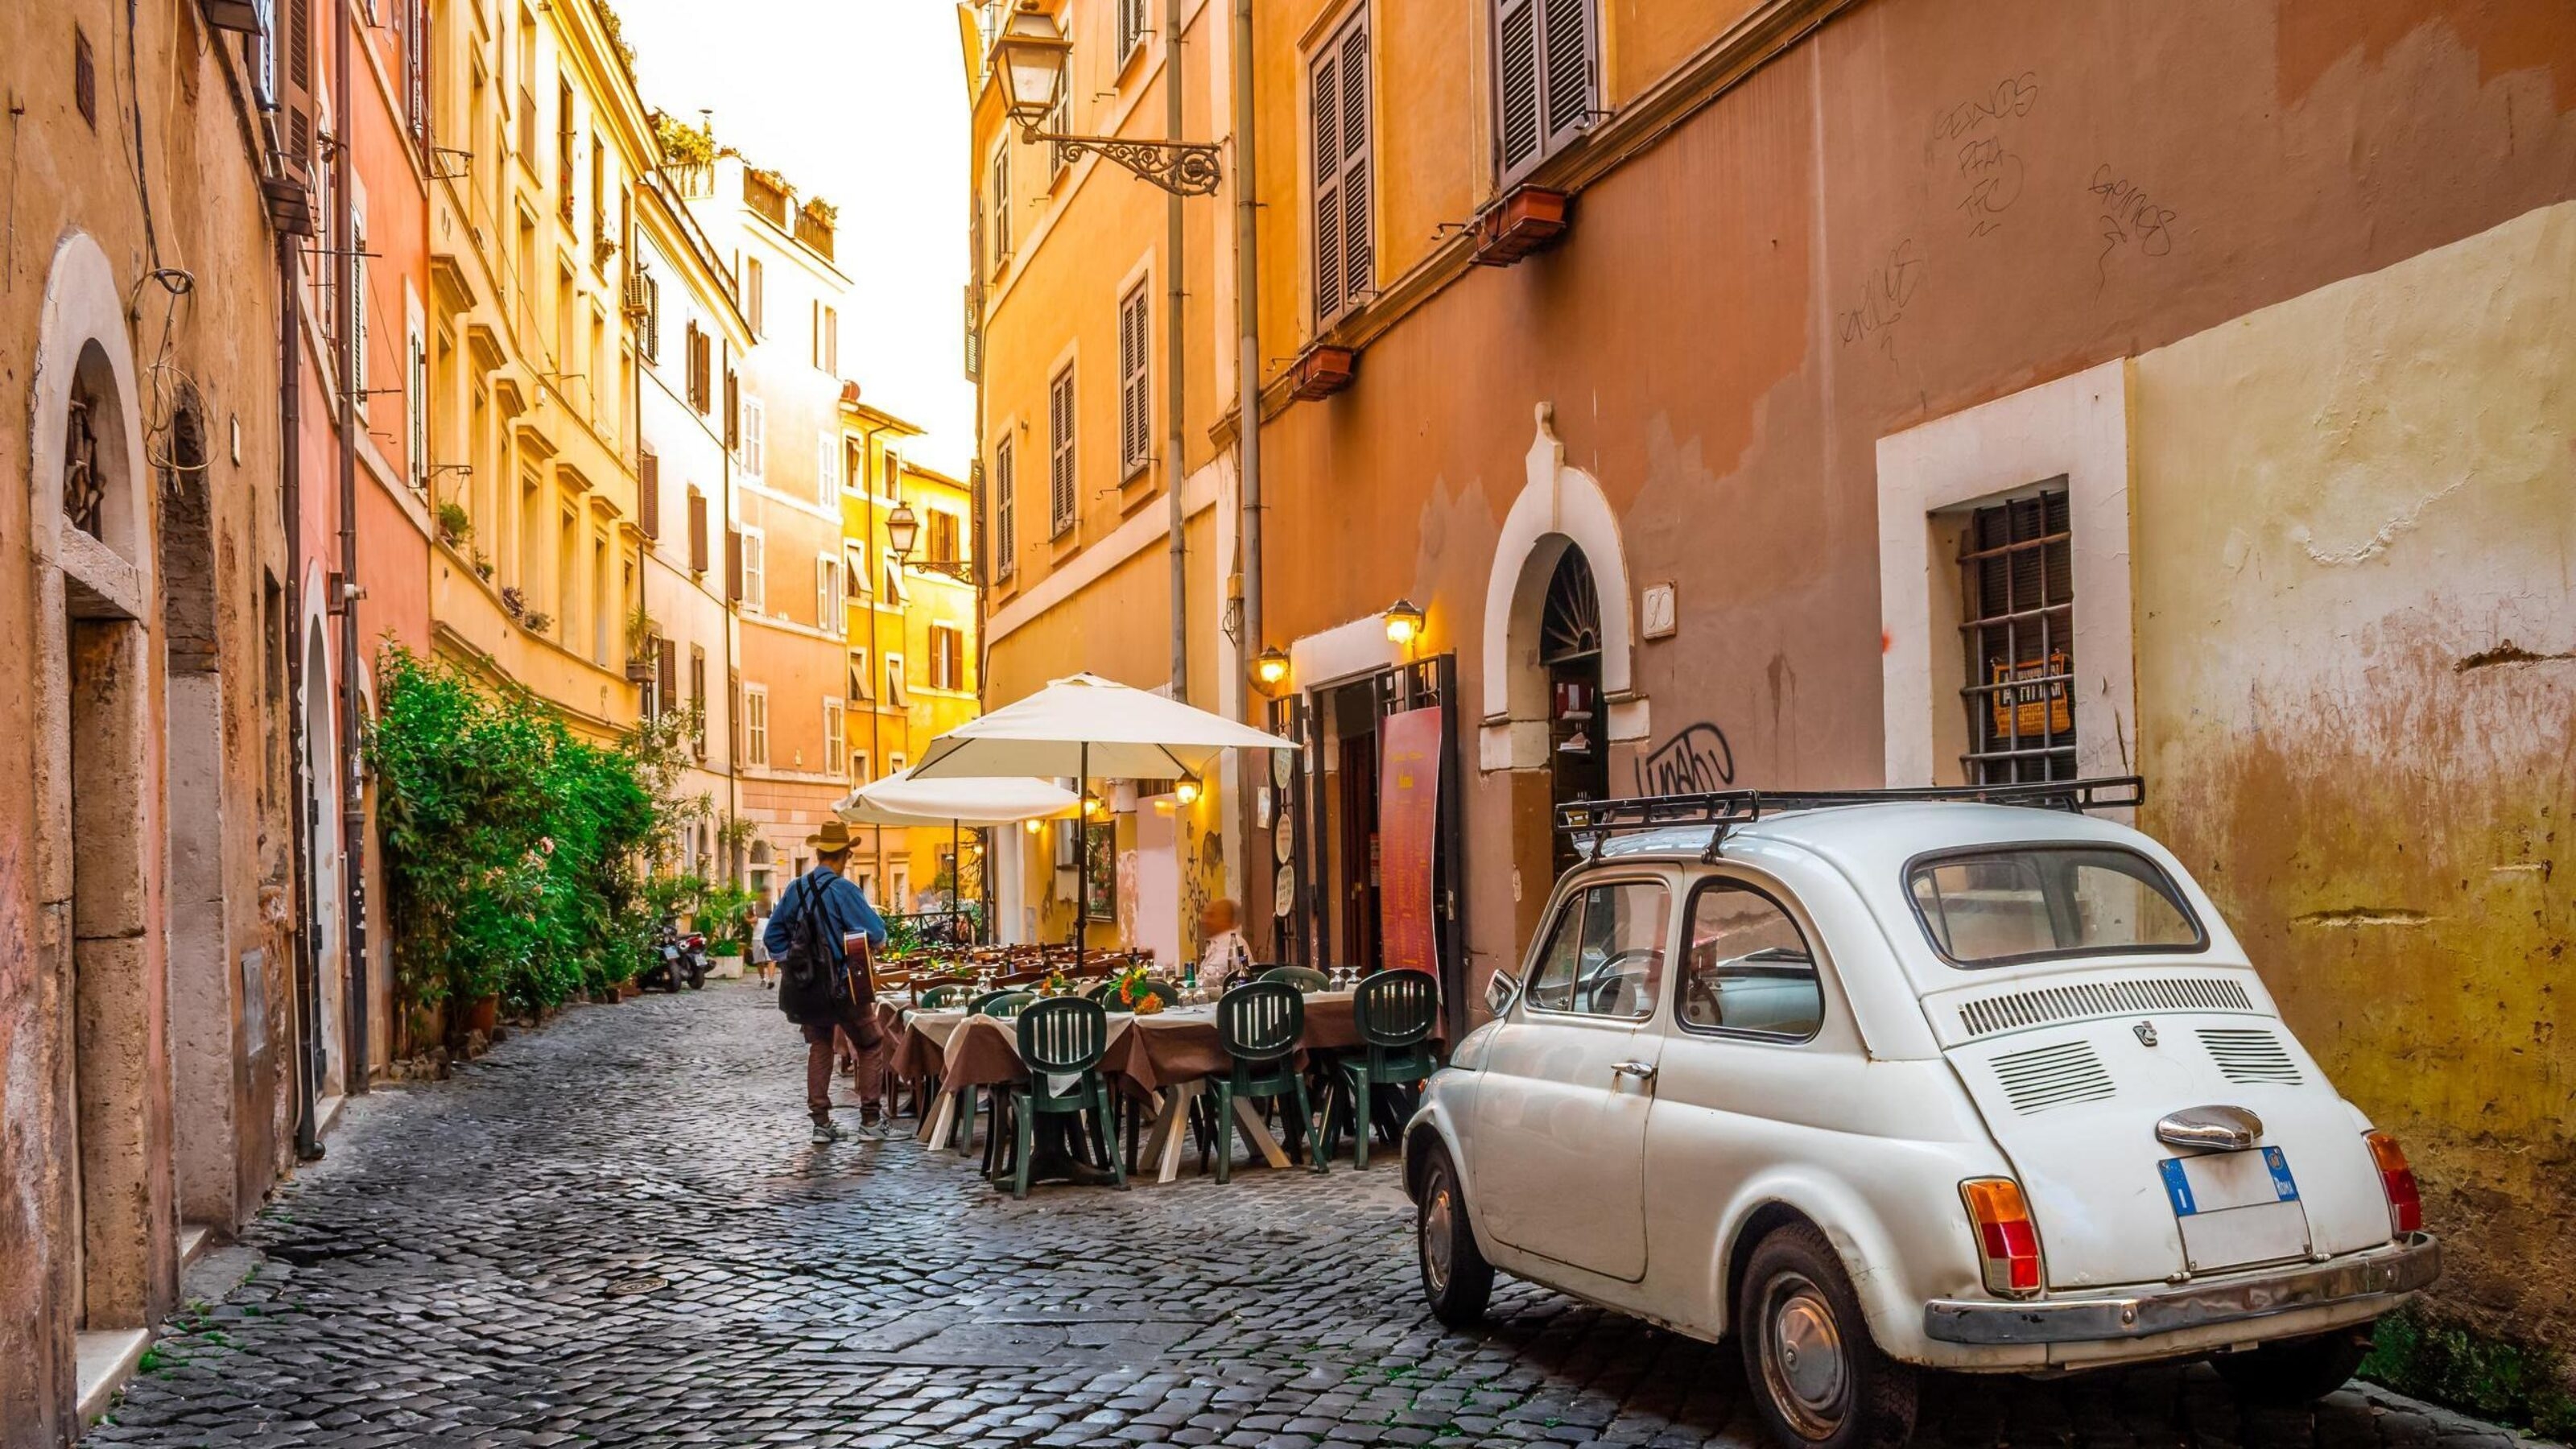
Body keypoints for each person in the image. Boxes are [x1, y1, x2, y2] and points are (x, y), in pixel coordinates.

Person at [765, 823, 890, 1143]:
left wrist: (795, 964)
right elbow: (877, 933)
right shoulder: (845, 890)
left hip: (809, 987)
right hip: (847, 984)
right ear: (845, 855)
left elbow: (772, 937)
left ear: (819, 852)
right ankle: (870, 1121)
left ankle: (821, 1124)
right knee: (870, 1043)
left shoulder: (796, 889)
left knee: (820, 1046)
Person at [1196, 897, 1255, 993]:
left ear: (1224, 919)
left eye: (1211, 916)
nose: (1204, 921)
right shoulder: (1215, 943)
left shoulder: (1233, 943)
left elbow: (1212, 979)